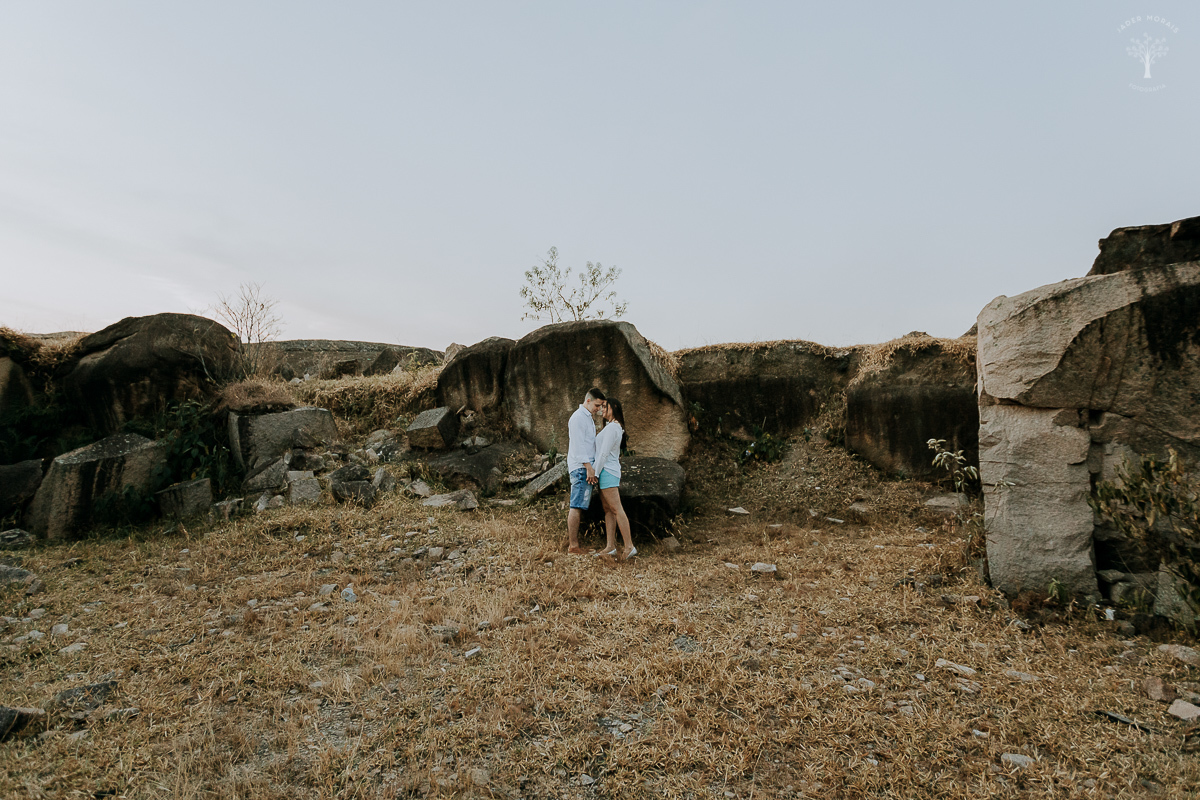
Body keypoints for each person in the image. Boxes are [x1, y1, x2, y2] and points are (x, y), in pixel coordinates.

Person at [592, 398, 636, 560]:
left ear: (614, 407)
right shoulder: (612, 427)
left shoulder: (613, 428)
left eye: (605, 406)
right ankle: (610, 546)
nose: (602, 409)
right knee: (608, 510)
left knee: (616, 509)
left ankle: (629, 546)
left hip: (607, 471)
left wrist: (595, 473)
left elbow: (603, 454)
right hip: (606, 471)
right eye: (601, 407)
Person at [566, 387, 606, 555]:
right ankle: (573, 546)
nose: (599, 409)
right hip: (582, 468)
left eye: (601, 406)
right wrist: (589, 467)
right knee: (576, 506)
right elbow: (578, 446)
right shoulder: (577, 418)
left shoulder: (587, 417)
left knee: (580, 505)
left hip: (585, 467)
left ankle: (575, 545)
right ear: (588, 400)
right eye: (597, 405)